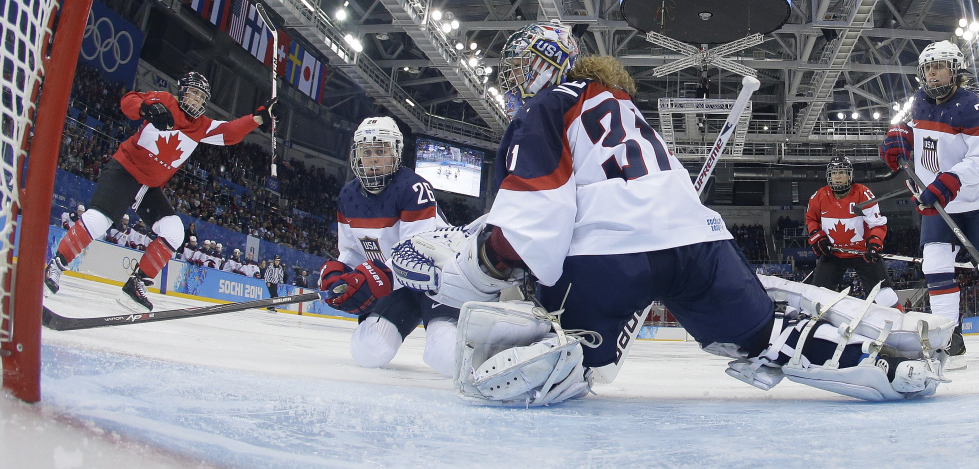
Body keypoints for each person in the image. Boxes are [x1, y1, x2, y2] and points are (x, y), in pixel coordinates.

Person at [390, 21, 953, 405]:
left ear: (548, 64)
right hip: (699, 241)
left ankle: (572, 350)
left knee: (563, 351)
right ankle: (883, 364)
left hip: (609, 255)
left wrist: (477, 270)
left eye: (520, 66)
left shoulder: (547, 105)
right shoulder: (621, 104)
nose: (513, 78)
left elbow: (532, 222)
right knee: (762, 334)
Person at [43, 71, 276, 311]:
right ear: (182, 92)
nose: (195, 100)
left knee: (174, 232)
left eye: (200, 97)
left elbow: (229, 132)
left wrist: (257, 118)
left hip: (149, 187)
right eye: (193, 93)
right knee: (98, 220)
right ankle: (55, 266)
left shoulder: (202, 126)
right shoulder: (165, 100)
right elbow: (128, 101)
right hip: (125, 171)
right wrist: (146, 108)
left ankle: (135, 285)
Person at [317, 116, 459, 377]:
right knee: (369, 351)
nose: (373, 159)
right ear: (356, 155)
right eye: (367, 152)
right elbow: (350, 250)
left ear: (395, 153)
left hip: (438, 284)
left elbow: (418, 255)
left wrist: (374, 278)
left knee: (446, 355)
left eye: (381, 151)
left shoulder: (413, 188)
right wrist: (339, 272)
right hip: (399, 284)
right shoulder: (348, 195)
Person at [880, 40, 976, 363]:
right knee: (935, 266)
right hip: (936, 201)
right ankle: (949, 338)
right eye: (928, 69)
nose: (933, 74)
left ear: (955, 70)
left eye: (940, 67)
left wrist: (950, 180)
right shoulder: (920, 101)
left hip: (972, 200)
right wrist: (899, 139)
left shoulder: (972, 106)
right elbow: (912, 132)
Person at [806, 156, 901, 309]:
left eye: (842, 172)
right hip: (833, 254)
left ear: (849, 175)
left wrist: (875, 242)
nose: (837, 177)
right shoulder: (819, 196)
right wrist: (818, 237)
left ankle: (900, 323)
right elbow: (811, 219)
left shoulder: (863, 194)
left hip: (863, 253)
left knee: (886, 297)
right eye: (834, 173)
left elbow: (877, 224)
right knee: (817, 297)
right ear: (828, 176)